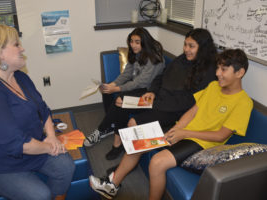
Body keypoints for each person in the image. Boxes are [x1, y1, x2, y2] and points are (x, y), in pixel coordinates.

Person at [89, 49, 253, 200]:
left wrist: (185, 133)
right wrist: (178, 128)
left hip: (203, 142)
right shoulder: (213, 87)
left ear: (240, 72)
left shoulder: (243, 102)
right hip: (185, 132)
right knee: (137, 139)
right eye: (218, 68)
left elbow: (220, 136)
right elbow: (193, 111)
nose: (217, 73)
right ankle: (112, 185)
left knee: (157, 163)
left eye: (223, 70)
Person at [0, 25, 75, 200]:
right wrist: (49, 148)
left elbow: (43, 109)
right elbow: (18, 144)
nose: (22, 48)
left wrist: (51, 136)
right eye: (16, 44)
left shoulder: (19, 76)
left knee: (66, 167)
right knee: (40, 195)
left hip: (28, 148)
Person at [102, 28, 218, 160]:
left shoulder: (208, 71)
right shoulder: (182, 59)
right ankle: (118, 147)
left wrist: (155, 103)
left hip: (173, 111)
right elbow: (160, 77)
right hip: (158, 100)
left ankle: (128, 160)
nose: (186, 49)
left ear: (203, 48)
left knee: (133, 122)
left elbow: (190, 102)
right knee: (121, 102)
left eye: (191, 46)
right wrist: (152, 92)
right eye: (185, 44)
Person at [83, 27, 165, 150]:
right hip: (138, 88)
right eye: (131, 41)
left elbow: (140, 82)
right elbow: (127, 74)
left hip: (149, 95)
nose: (133, 45)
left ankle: (100, 130)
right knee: (107, 90)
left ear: (145, 42)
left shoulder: (154, 59)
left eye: (137, 42)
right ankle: (111, 125)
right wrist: (112, 85)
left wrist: (116, 89)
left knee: (121, 100)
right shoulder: (136, 54)